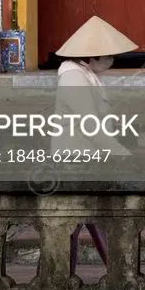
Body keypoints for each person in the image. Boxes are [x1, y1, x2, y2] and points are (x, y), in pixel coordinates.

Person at [54, 15, 138, 276]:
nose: (110, 61)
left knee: (89, 222)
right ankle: (66, 276)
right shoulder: (73, 78)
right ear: (90, 56)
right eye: (106, 56)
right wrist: (120, 153)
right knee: (76, 224)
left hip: (91, 160)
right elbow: (90, 126)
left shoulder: (86, 75)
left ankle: (114, 272)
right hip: (76, 161)